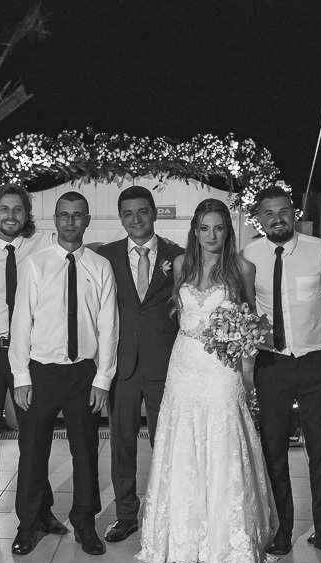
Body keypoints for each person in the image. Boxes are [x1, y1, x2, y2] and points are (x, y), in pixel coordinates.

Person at [136, 198, 277, 563]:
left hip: (221, 367)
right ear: (194, 231)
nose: (211, 235)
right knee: (182, 441)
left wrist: (246, 367)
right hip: (184, 363)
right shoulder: (181, 264)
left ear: (228, 231)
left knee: (222, 440)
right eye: (204, 228)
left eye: (218, 228)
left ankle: (224, 540)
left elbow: (251, 319)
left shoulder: (242, 268)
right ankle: (183, 536)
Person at [242, 185, 321, 560]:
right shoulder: (248, 256)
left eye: (283, 211)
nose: (277, 218)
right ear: (259, 219)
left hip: (316, 363)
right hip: (271, 364)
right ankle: (282, 530)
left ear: (294, 212)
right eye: (269, 213)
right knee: (273, 450)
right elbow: (244, 308)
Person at [8, 191, 117, 556]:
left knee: (85, 452)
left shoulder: (100, 267)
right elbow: (21, 322)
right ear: (55, 220)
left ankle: (84, 523)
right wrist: (21, 377)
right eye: (64, 215)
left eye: (78, 215)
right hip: (40, 372)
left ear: (87, 220)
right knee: (32, 452)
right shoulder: (35, 264)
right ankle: (29, 524)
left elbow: (108, 326)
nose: (71, 221)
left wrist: (103, 379)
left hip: (83, 374)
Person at [0, 184, 68, 538]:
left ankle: (42, 511)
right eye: (3, 209)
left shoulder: (45, 244)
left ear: (26, 214)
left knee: (33, 436)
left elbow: (77, 242)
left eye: (18, 209)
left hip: (31, 353)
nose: (10, 215)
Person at [97, 186, 186, 543]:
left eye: (142, 211)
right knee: (122, 445)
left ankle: (169, 514)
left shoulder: (178, 256)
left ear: (154, 213)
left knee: (167, 443)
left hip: (165, 364)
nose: (136, 219)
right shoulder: (106, 256)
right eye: (128, 214)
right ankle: (126, 515)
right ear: (121, 218)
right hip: (122, 366)